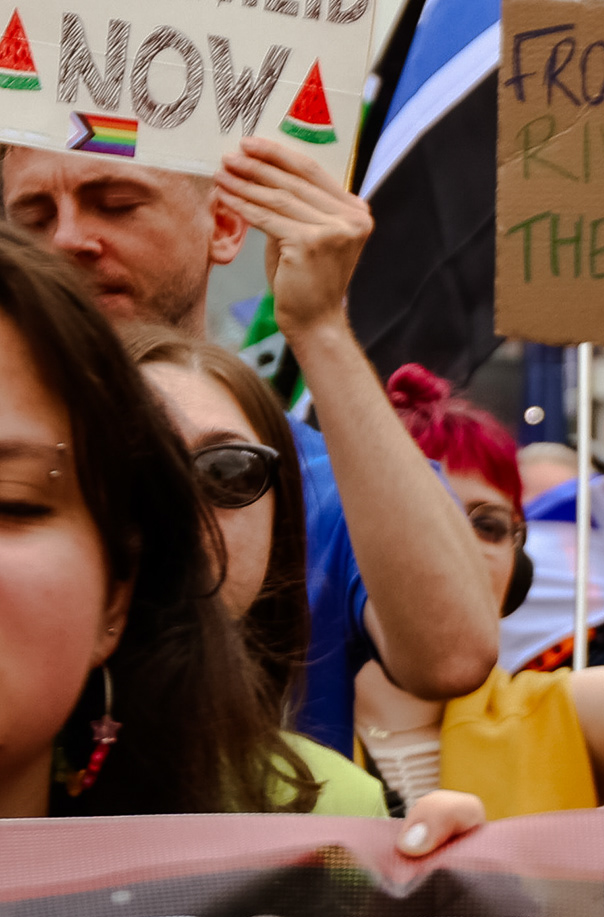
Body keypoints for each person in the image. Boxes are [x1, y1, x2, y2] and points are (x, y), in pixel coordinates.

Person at [2, 135, 502, 741]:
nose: (66, 240)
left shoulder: (310, 474)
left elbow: (453, 655)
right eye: (33, 217)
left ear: (224, 224)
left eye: (115, 203)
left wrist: (320, 327)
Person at [120, 328, 390, 816]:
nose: (182, 507)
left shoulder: (342, 806)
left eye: (228, 469)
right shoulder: (20, 764)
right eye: (142, 469)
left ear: (279, 524)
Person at [345, 369, 534, 805]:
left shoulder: (569, 716)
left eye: (488, 525)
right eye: (427, 517)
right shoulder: (251, 739)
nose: (458, 548)